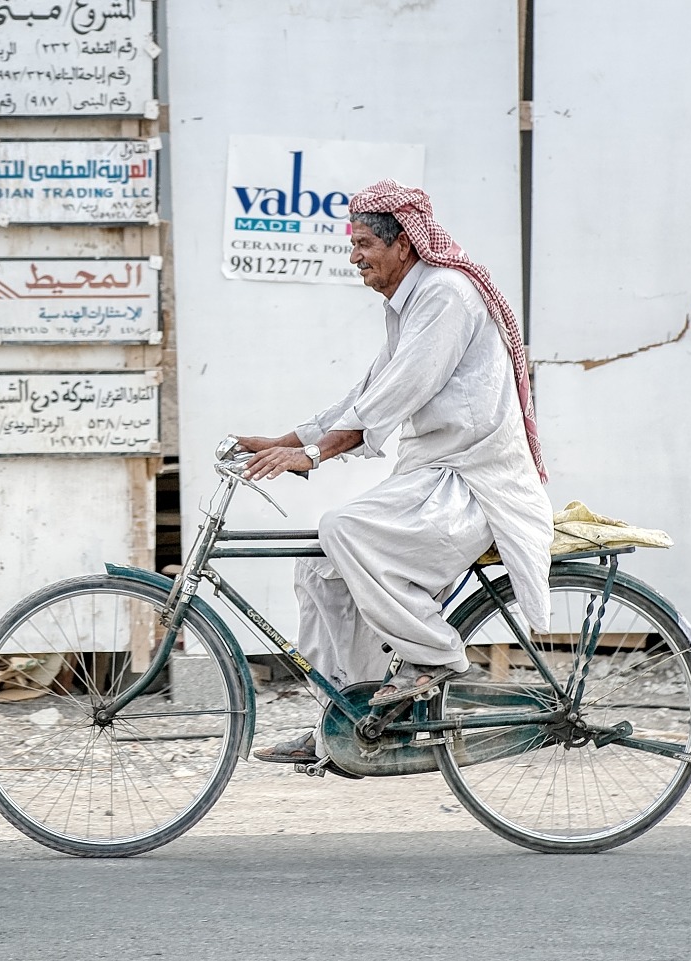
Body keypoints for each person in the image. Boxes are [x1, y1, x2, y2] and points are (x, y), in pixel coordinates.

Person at [235, 181, 554, 765]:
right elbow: (368, 391)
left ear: (404, 243)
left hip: (473, 483)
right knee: (318, 571)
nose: (353, 256)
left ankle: (433, 655)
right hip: (434, 476)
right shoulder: (408, 304)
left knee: (343, 528)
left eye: (362, 244)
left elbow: (403, 391)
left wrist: (316, 455)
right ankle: (349, 719)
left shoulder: (446, 296)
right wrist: (289, 440)